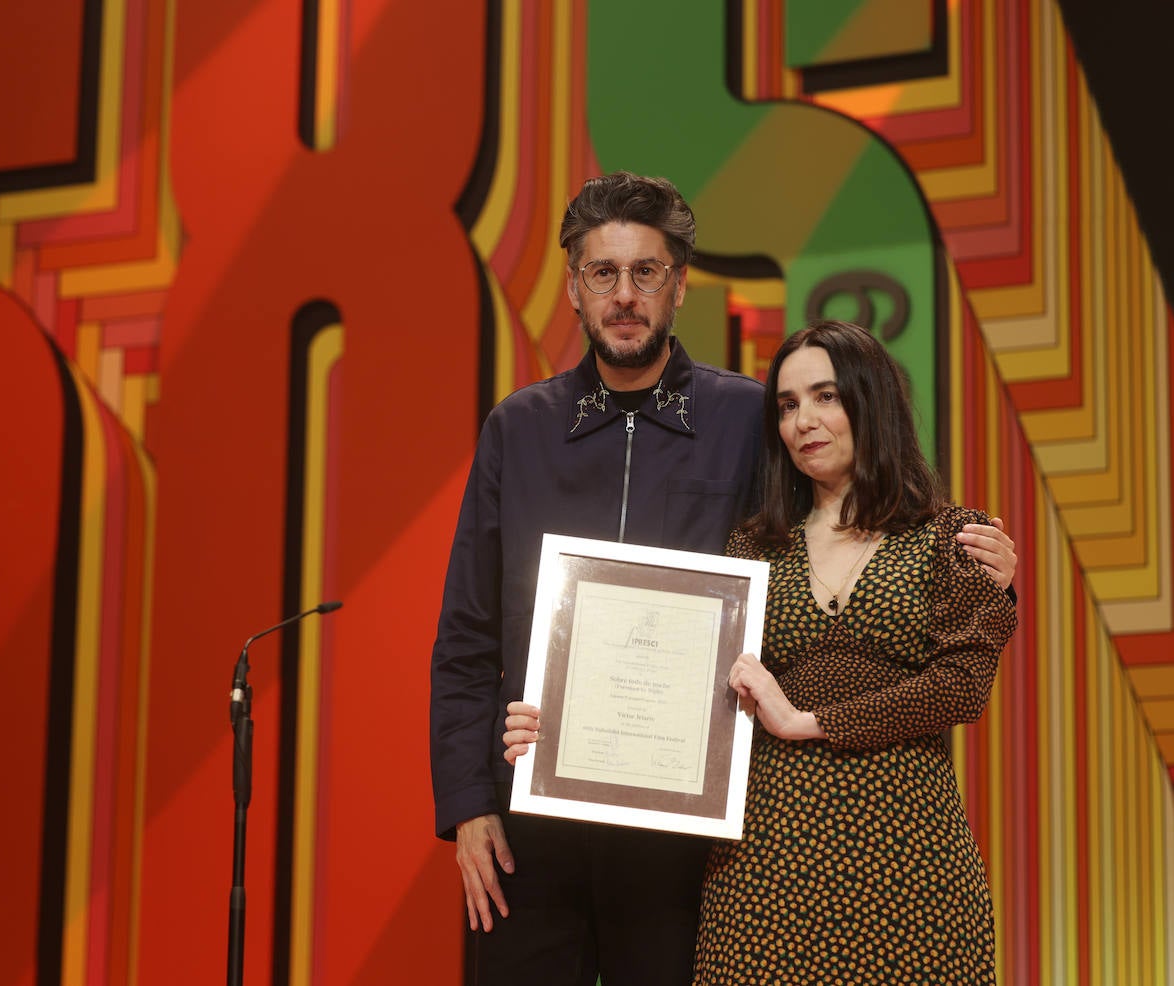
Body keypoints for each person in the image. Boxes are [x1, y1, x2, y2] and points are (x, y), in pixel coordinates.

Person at [431, 174, 1016, 985]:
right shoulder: (519, 428)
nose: (624, 295)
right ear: (574, 287)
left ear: (679, 285)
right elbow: (467, 635)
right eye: (603, 273)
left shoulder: (751, 420)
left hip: (693, 830)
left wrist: (980, 566)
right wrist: (467, 802)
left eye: (646, 273)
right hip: (536, 817)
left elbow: (857, 508)